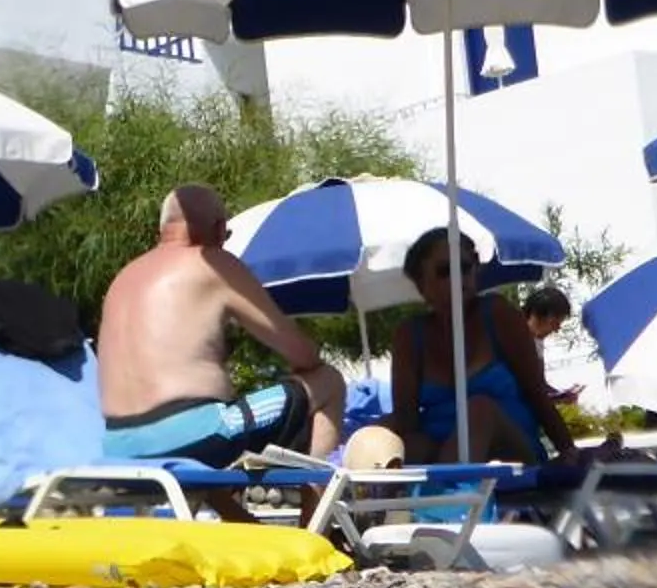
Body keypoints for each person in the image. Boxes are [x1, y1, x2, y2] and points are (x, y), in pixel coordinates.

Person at [97, 184, 346, 470]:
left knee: (218, 421)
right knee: (328, 381)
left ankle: (244, 515)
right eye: (226, 235)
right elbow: (301, 353)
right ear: (218, 228)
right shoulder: (212, 263)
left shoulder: (123, 278)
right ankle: (315, 505)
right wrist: (306, 363)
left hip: (117, 447)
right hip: (197, 436)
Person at [388, 228, 579, 465]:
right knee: (387, 433)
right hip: (439, 444)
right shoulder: (410, 335)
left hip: (509, 449)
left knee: (479, 410)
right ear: (421, 285)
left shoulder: (498, 315)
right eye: (444, 271)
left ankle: (449, 494)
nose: (459, 278)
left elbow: (536, 393)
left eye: (465, 268)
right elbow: (406, 418)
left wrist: (569, 451)